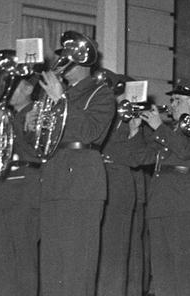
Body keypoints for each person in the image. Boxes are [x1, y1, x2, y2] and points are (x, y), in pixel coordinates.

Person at [35, 31, 116, 296]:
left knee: (77, 264)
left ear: (81, 63)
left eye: (66, 58)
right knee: (52, 264)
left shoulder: (100, 93)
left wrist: (61, 101)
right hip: (55, 178)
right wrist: (33, 121)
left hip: (81, 183)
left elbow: (91, 131)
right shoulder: (60, 94)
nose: (61, 64)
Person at [132, 84, 190, 296]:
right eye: (172, 100)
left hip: (186, 206)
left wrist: (159, 127)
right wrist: (135, 129)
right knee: (162, 272)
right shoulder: (169, 130)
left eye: (177, 100)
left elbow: (187, 152)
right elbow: (141, 157)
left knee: (185, 274)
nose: (171, 105)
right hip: (161, 204)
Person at [0, 71, 41, 296]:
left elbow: (36, 153)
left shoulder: (36, 113)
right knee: (2, 261)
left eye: (12, 87)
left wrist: (6, 123)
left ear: (28, 89)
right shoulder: (8, 117)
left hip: (26, 188)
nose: (4, 93)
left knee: (24, 260)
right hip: (2, 189)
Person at [96, 72, 140, 296]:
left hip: (118, 184)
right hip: (98, 181)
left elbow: (136, 156)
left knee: (115, 248)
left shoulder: (132, 119)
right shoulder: (103, 114)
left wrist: (134, 130)